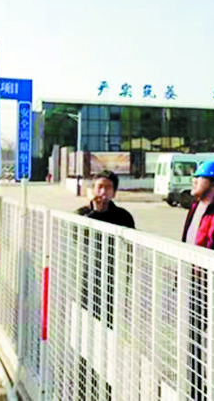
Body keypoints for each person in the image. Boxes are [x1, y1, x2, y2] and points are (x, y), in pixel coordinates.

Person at [75, 170, 134, 400]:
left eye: (108, 187)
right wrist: (95, 213)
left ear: (114, 192)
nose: (103, 192)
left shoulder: (123, 216)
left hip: (114, 284)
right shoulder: (82, 214)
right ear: (92, 190)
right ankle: (84, 384)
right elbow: (78, 236)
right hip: (88, 282)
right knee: (86, 334)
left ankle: (106, 388)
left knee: (109, 336)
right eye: (99, 187)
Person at [181, 160, 214, 401]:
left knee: (210, 343)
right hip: (190, 282)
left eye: (199, 177)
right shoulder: (195, 207)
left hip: (208, 286)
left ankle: (209, 392)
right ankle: (194, 390)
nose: (194, 181)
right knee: (191, 340)